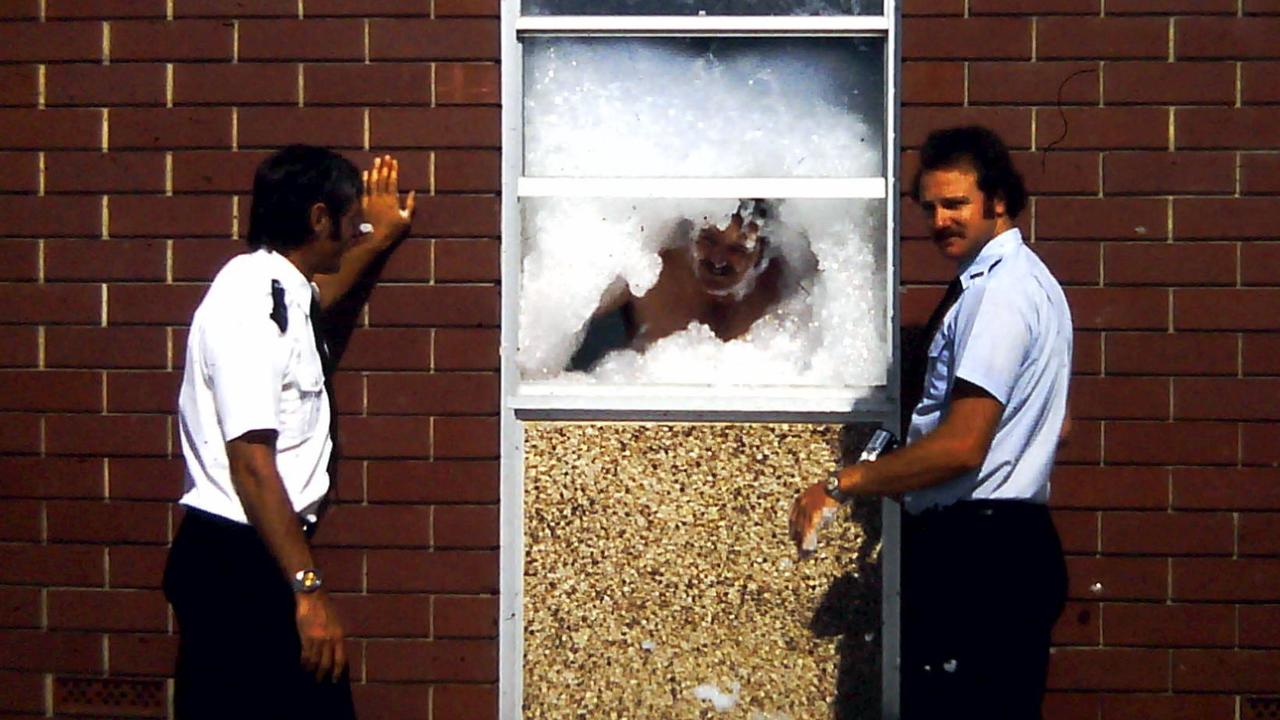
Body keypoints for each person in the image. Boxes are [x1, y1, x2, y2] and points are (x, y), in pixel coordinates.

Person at [789, 126, 1073, 719]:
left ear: (998, 200)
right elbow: (1057, 424)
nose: (941, 220)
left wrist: (844, 485)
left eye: (957, 203)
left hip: (978, 553)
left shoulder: (997, 297)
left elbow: (964, 445)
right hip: (1006, 544)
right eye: (930, 207)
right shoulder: (1032, 283)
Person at [162, 146, 415, 720]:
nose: (355, 228)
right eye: (350, 219)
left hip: (257, 556)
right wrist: (307, 591)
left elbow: (315, 301)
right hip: (239, 563)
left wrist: (377, 239)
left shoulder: (281, 288)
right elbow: (251, 462)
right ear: (319, 218)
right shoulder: (248, 303)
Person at [592, 199, 799, 351]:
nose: (718, 259)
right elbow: (571, 308)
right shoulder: (651, 270)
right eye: (709, 239)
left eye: (739, 247)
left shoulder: (785, 287)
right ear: (692, 234)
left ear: (761, 250)